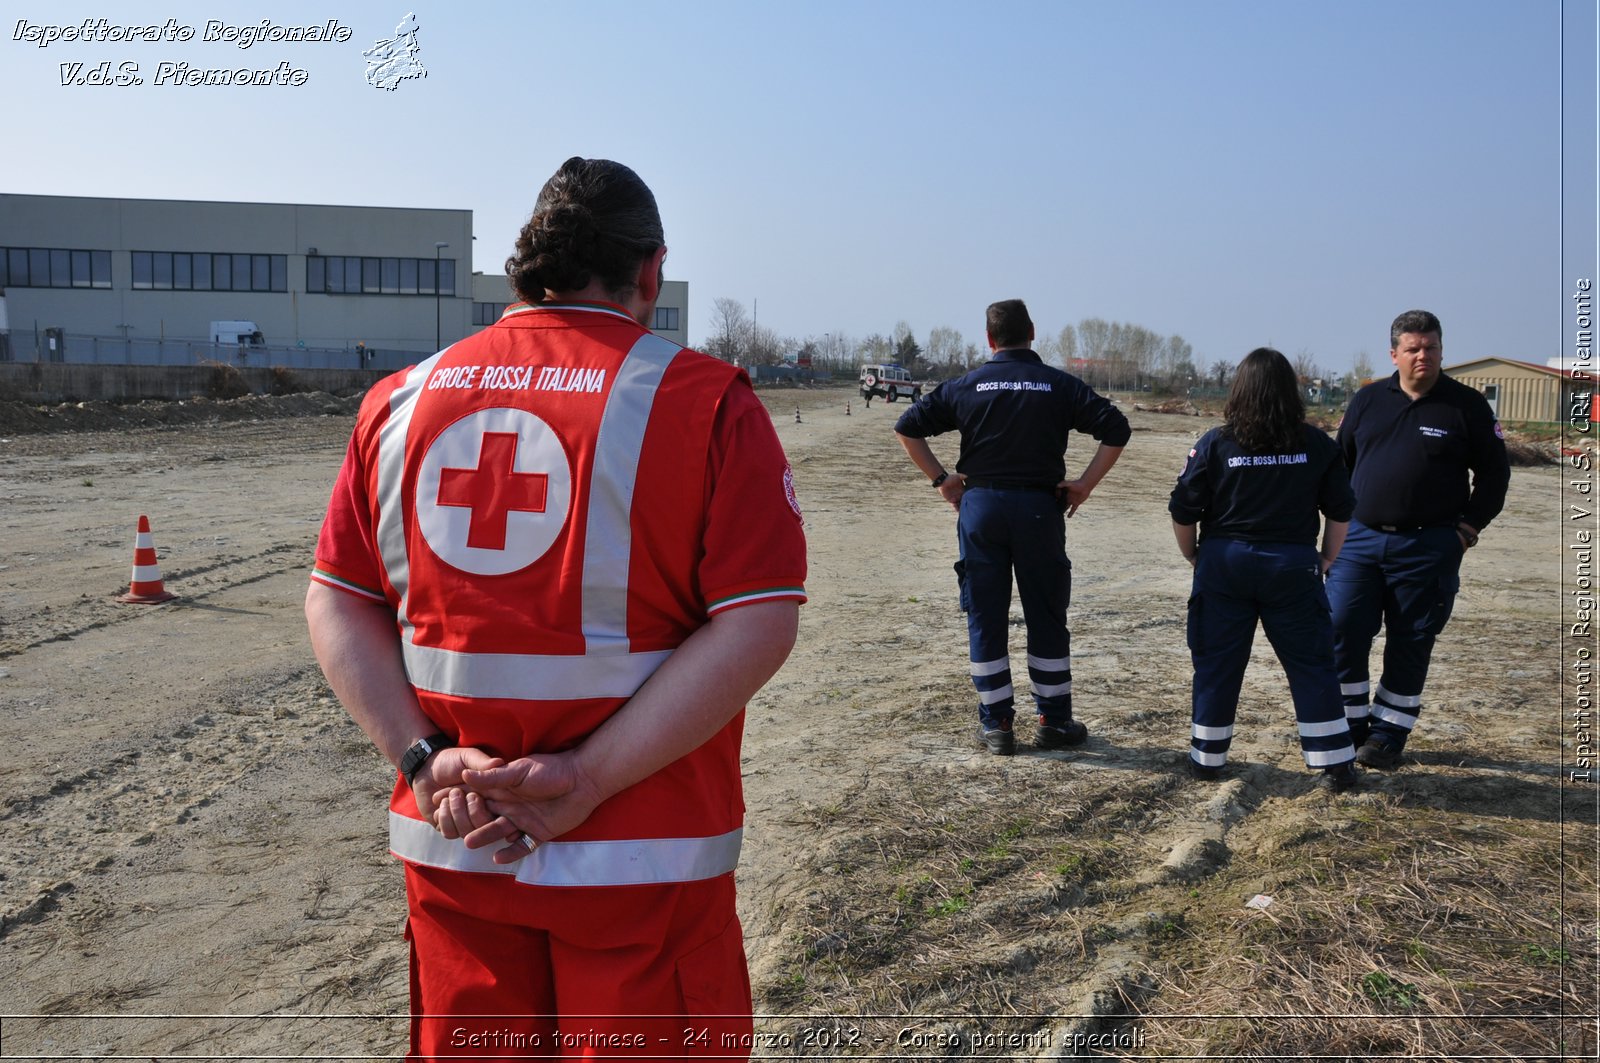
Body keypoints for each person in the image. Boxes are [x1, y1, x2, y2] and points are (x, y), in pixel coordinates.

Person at [304, 157, 806, 1060]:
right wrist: (589, 779)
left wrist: (421, 760)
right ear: (650, 270)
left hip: (457, 854)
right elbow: (759, 621)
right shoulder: (703, 404)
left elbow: (336, 601)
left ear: (526, 265)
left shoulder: (399, 402)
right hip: (644, 874)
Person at [893, 298, 1129, 755]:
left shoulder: (965, 386)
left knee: (985, 614)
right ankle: (1055, 722)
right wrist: (1084, 484)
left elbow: (907, 427)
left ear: (989, 338)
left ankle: (998, 726)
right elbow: (1116, 428)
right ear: (1033, 332)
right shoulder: (1059, 385)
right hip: (1039, 510)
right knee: (1046, 612)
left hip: (980, 509)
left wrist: (942, 481)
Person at [1168, 347, 1359, 790]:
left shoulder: (1215, 443)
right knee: (1312, 662)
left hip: (1224, 562)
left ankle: (1208, 757)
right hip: (1291, 565)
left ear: (1239, 391)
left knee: (1217, 661)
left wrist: (1193, 555)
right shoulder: (1315, 444)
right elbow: (1341, 509)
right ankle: (1333, 763)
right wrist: (1327, 558)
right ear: (1291, 392)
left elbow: (1182, 509)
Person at [1327, 309, 1509, 769]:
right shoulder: (1367, 401)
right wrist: (1337, 529)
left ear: (1442, 351)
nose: (1423, 355)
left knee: (1411, 639)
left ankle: (1388, 733)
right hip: (1360, 542)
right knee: (1342, 626)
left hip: (1429, 547)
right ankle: (1349, 724)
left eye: (1431, 347)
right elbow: (1339, 464)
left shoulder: (1466, 406)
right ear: (1395, 354)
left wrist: (1466, 531)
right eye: (1413, 348)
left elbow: (1494, 475)